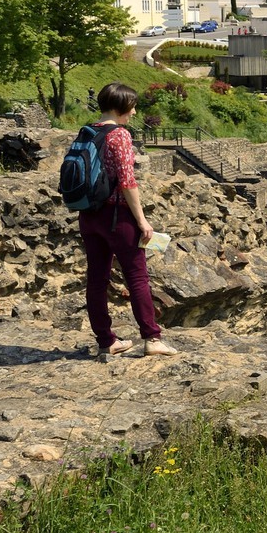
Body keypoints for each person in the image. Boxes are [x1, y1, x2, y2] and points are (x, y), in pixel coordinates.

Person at [80, 82, 177, 361]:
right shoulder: (119, 135)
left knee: (96, 279)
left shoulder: (87, 132)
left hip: (88, 215)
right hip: (117, 217)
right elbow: (127, 181)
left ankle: (106, 341)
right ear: (122, 107)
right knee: (137, 276)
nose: (134, 112)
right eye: (132, 106)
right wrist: (142, 220)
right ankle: (152, 337)